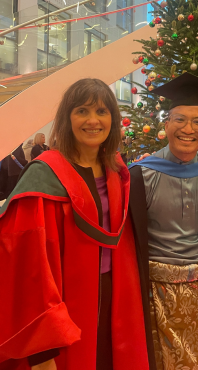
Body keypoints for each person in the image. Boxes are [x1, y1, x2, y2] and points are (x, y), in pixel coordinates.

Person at [0, 78, 148, 370]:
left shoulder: (116, 171)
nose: (93, 121)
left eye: (102, 112)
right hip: (64, 306)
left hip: (113, 299)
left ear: (113, 120)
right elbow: (28, 267)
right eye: (82, 111)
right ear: (68, 118)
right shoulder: (44, 176)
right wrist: (42, 351)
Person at [128, 73, 198, 370]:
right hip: (155, 293)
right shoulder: (141, 175)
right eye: (180, 120)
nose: (189, 129)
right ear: (166, 126)